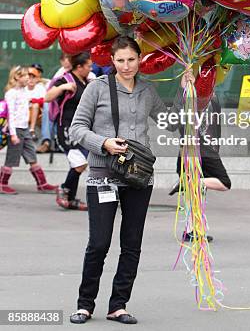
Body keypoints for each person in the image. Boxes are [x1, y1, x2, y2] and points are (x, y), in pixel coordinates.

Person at [68, 36, 193, 325]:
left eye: (131, 60)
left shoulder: (148, 90)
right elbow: (77, 128)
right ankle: (85, 304)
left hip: (138, 176)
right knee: (99, 243)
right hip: (103, 175)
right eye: (120, 60)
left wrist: (184, 91)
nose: (126, 66)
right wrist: (104, 143)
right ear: (112, 61)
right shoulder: (97, 88)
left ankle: (118, 305)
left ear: (140, 59)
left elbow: (171, 123)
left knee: (132, 243)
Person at [168, 93, 231, 242]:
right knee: (223, 183)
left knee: (197, 193)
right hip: (198, 150)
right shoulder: (192, 96)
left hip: (193, 150)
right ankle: (190, 183)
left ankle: (192, 230)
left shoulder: (208, 97)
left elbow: (215, 127)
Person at [45, 52, 93, 211]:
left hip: (82, 129)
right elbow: (47, 97)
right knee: (80, 162)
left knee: (81, 163)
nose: (91, 68)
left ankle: (69, 197)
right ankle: (64, 190)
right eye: (88, 66)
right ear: (79, 67)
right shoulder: (65, 79)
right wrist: (62, 87)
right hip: (66, 129)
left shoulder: (86, 81)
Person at [0, 66, 57, 195]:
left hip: (25, 129)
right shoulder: (11, 93)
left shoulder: (24, 91)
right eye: (25, 75)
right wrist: (13, 134)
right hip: (17, 130)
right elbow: (11, 116)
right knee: (12, 158)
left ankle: (42, 184)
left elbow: (39, 91)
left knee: (31, 155)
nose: (28, 78)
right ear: (16, 77)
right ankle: (2, 184)